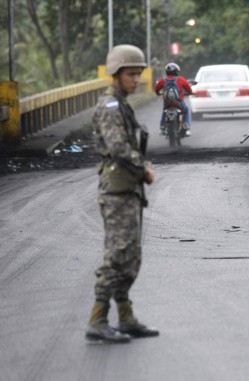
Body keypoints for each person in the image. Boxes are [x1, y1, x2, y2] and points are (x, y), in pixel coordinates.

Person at [86, 44, 159, 343]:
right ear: (115, 74)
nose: (136, 79)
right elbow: (118, 147)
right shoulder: (110, 106)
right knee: (117, 255)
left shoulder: (122, 103)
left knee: (131, 256)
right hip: (117, 192)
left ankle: (125, 317)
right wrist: (144, 169)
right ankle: (97, 319)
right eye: (131, 74)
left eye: (138, 73)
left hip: (127, 189)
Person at [154, 63, 193, 136]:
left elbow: (156, 88)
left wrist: (158, 93)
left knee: (164, 111)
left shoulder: (163, 80)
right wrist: (190, 93)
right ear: (176, 71)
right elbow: (189, 89)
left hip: (167, 103)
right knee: (186, 110)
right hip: (178, 103)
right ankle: (186, 125)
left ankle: (162, 127)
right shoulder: (181, 79)